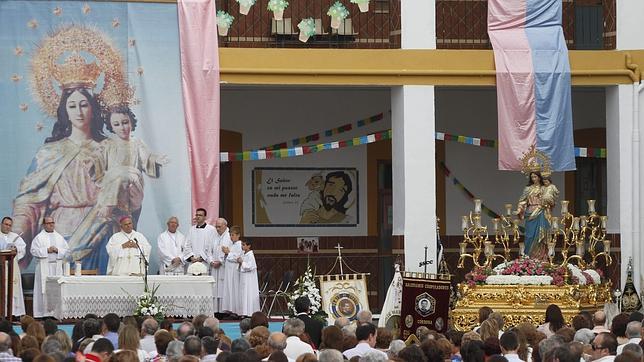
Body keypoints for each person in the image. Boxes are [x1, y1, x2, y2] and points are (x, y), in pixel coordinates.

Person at [99, 105, 168, 226]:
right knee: (113, 229)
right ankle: (109, 206)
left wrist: (156, 160)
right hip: (113, 190)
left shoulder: (137, 143)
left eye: (125, 122)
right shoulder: (107, 145)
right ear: (111, 126)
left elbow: (147, 159)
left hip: (133, 189)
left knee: (130, 225)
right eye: (116, 124)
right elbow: (99, 167)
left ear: (131, 122)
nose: (122, 127)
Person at [31, 217, 69, 318]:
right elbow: (33, 251)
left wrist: (58, 250)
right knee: (43, 288)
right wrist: (46, 250)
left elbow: (66, 250)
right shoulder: (39, 237)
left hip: (56, 267)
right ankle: (42, 313)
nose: (51, 225)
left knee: (56, 289)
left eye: (52, 223)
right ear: (44, 225)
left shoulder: (59, 237)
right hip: (44, 266)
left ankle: (55, 313)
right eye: (48, 223)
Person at [516, 171, 549, 260]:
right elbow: (523, 200)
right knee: (529, 235)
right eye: (532, 177)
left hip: (541, 212)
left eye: (535, 176)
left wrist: (544, 201)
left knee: (540, 235)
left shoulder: (544, 188)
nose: (534, 179)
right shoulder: (528, 189)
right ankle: (529, 256)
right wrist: (519, 209)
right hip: (530, 212)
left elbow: (550, 201)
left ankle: (540, 257)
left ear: (539, 177)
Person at [0, 216, 26, 316]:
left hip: (12, 266)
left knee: (13, 288)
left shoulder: (15, 236)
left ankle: (13, 313)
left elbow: (22, 249)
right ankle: (2, 313)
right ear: (1, 224)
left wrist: (15, 249)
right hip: (1, 266)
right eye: (6, 224)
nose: (8, 227)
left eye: (10, 225)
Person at [222, 226, 243, 314]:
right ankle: (230, 310)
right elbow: (228, 257)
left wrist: (228, 253)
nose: (231, 237)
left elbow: (237, 257)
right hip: (229, 271)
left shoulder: (240, 245)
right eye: (230, 235)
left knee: (235, 290)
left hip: (235, 271)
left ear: (238, 235)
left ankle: (237, 311)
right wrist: (225, 254)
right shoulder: (231, 245)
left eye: (233, 235)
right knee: (229, 289)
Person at [213, 218, 232, 312]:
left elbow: (230, 252)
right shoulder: (214, 236)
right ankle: (216, 310)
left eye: (219, 227)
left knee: (223, 289)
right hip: (214, 267)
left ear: (225, 226)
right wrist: (211, 261)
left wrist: (220, 261)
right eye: (216, 226)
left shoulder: (229, 237)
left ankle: (223, 311)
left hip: (224, 267)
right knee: (215, 289)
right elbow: (209, 250)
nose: (217, 229)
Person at [237, 239, 260, 317]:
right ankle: (244, 312)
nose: (242, 246)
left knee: (248, 294)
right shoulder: (244, 254)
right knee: (244, 294)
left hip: (249, 279)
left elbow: (250, 266)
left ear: (249, 246)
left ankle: (249, 312)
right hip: (244, 277)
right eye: (242, 245)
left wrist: (242, 262)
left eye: (244, 245)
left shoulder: (250, 255)